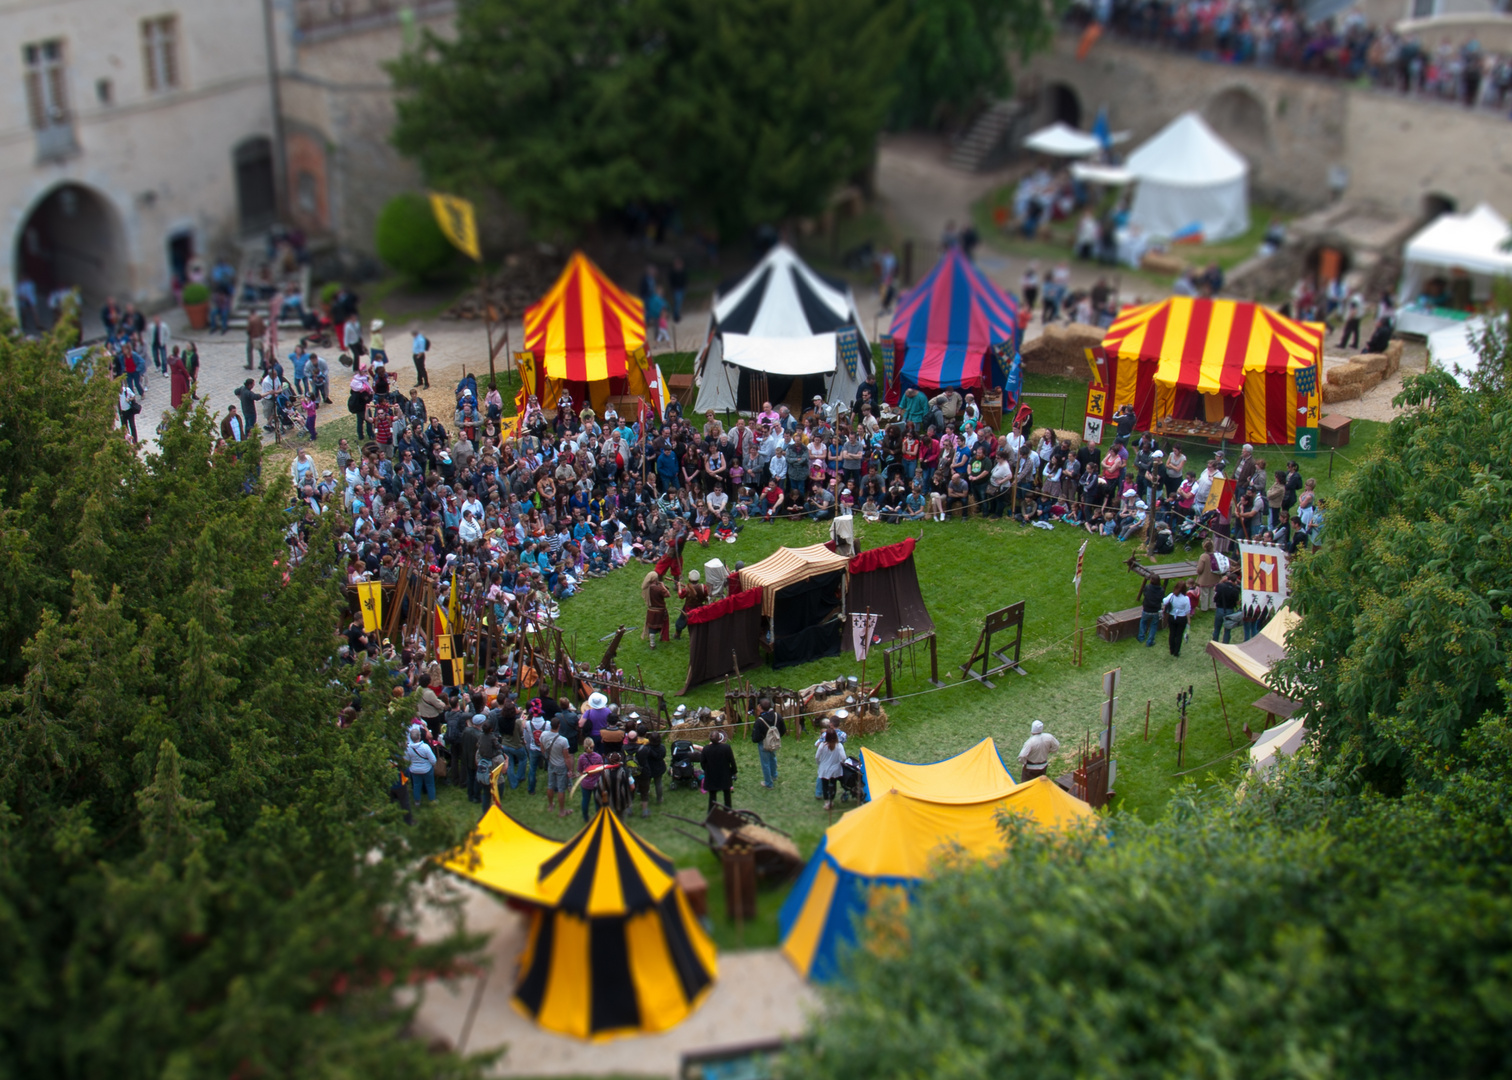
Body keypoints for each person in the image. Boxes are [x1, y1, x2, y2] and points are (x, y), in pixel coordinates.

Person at [542, 719, 575, 817]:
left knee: (550, 785)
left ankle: (551, 805)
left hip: (551, 763)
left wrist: (546, 756)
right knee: (561, 789)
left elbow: (542, 747)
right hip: (561, 765)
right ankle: (561, 811)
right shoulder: (563, 740)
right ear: (559, 726)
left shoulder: (543, 735)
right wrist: (570, 769)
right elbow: (566, 757)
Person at [752, 697, 786, 788]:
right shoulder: (777, 716)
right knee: (773, 758)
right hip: (774, 741)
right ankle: (774, 775)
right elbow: (783, 730)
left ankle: (769, 783)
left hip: (763, 744)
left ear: (760, 707)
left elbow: (755, 738)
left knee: (765, 763)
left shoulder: (759, 721)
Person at [700, 730, 737, 810]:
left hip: (712, 776)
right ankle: (728, 811)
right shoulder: (726, 748)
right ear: (720, 738)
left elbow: (702, 763)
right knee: (727, 795)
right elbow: (732, 761)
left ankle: (712, 813)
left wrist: (707, 770)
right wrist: (733, 772)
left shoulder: (706, 749)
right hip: (725, 775)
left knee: (712, 796)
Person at [815, 728, 846, 811]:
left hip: (824, 768)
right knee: (833, 784)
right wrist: (840, 762)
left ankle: (826, 802)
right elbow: (844, 757)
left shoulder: (822, 745)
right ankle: (831, 801)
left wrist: (819, 763)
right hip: (835, 769)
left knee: (825, 786)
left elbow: (817, 757)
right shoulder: (839, 746)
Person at [636, 731, 666, 817]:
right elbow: (663, 756)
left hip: (648, 768)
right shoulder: (662, 747)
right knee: (658, 783)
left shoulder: (645, 748)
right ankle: (659, 799)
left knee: (646, 784)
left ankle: (645, 799)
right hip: (658, 768)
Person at [405, 726, 437, 805]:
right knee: (430, 784)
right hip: (427, 769)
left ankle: (417, 802)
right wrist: (433, 765)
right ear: (419, 736)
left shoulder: (408, 748)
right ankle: (432, 800)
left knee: (416, 785)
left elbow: (406, 760)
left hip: (414, 770)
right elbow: (433, 760)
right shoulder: (425, 747)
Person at [1162, 581, 1192, 656]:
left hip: (1172, 617)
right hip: (1181, 618)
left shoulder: (1172, 596)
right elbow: (1187, 610)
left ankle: (1171, 649)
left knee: (1172, 633)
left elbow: (1164, 601)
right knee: (1179, 635)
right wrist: (1188, 620)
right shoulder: (1185, 598)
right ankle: (1176, 651)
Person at [642, 570, 671, 648]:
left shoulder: (647, 588)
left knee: (652, 627)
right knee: (662, 624)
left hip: (651, 610)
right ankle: (661, 637)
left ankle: (652, 644)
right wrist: (663, 586)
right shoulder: (658, 589)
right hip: (660, 611)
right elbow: (668, 595)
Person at [577, 737, 603, 821]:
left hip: (586, 783)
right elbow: (601, 770)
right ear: (593, 745)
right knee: (597, 802)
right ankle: (598, 818)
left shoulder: (581, 758)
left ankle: (585, 817)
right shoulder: (598, 757)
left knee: (585, 800)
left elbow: (579, 770)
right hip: (596, 782)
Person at [1213, 570, 1242, 644]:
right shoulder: (1235, 591)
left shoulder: (1220, 586)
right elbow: (1236, 602)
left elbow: (1214, 588)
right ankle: (1225, 644)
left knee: (1217, 629)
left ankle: (1215, 644)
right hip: (1229, 610)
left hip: (1219, 609)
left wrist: (1222, 580)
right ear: (1234, 581)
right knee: (1227, 630)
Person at [1194, 539, 1221, 612]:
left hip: (1205, 579)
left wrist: (1198, 570)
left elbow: (1200, 569)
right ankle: (1213, 606)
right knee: (1213, 593)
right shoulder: (1216, 555)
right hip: (1215, 577)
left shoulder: (1203, 556)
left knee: (1204, 594)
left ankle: (1204, 608)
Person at [1137, 576, 1164, 648]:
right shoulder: (1161, 590)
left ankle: (1141, 637)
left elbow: (1144, 593)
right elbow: (1161, 599)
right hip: (1156, 611)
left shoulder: (1147, 588)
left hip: (1146, 609)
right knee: (1154, 626)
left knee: (1143, 621)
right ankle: (1150, 641)